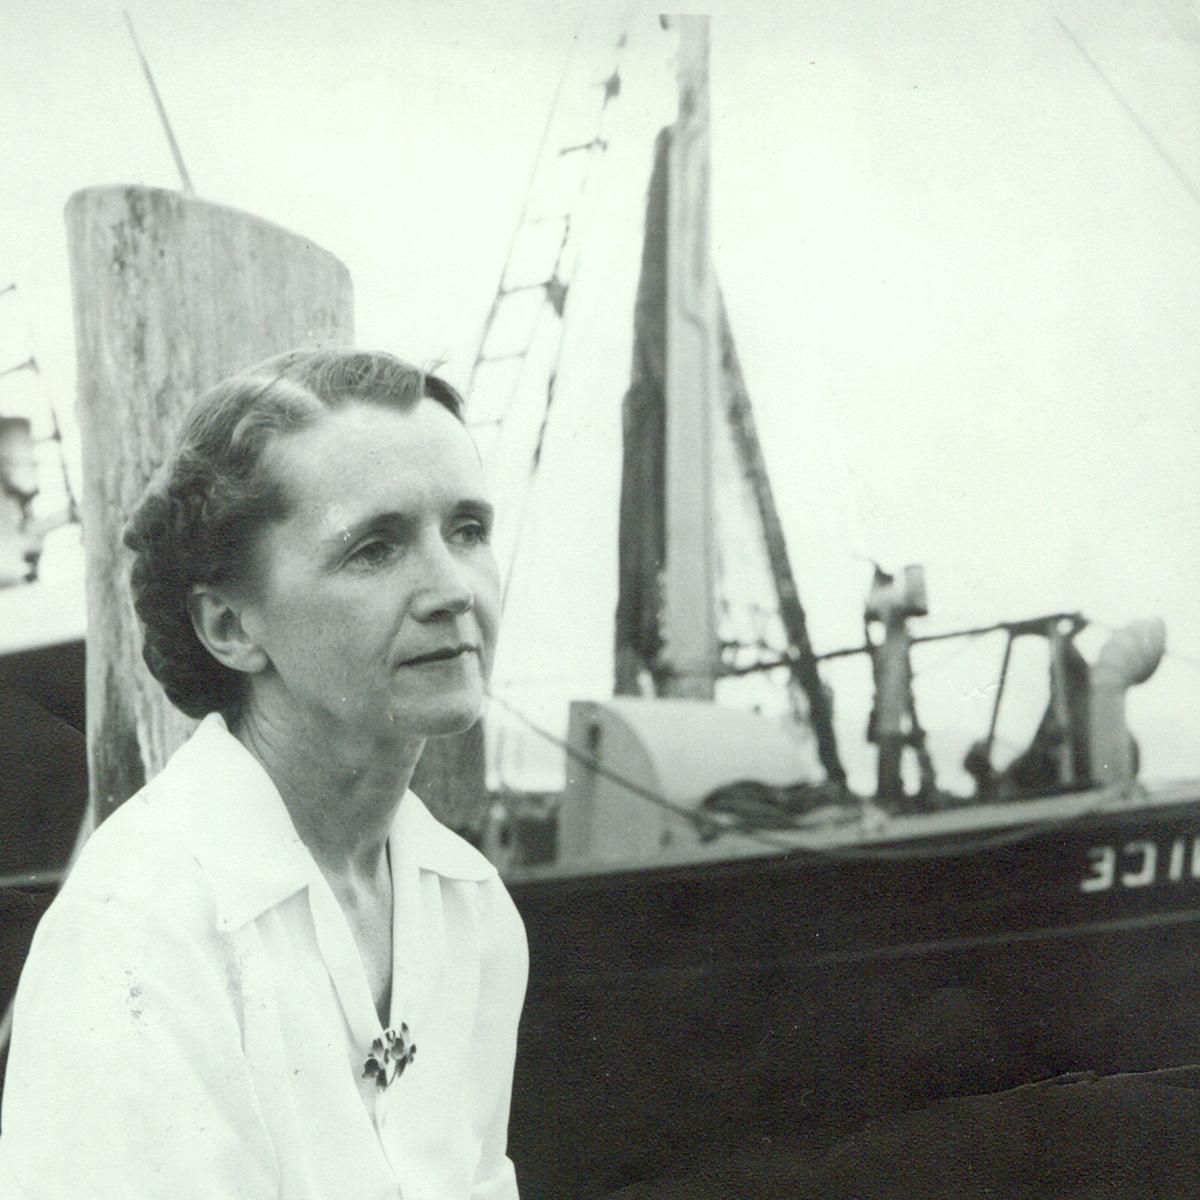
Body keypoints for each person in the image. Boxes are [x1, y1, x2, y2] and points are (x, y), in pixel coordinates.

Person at [0, 349, 528, 1199]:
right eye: (375, 548)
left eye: (467, 531)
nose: (452, 588)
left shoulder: (468, 906)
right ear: (229, 626)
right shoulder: (139, 933)